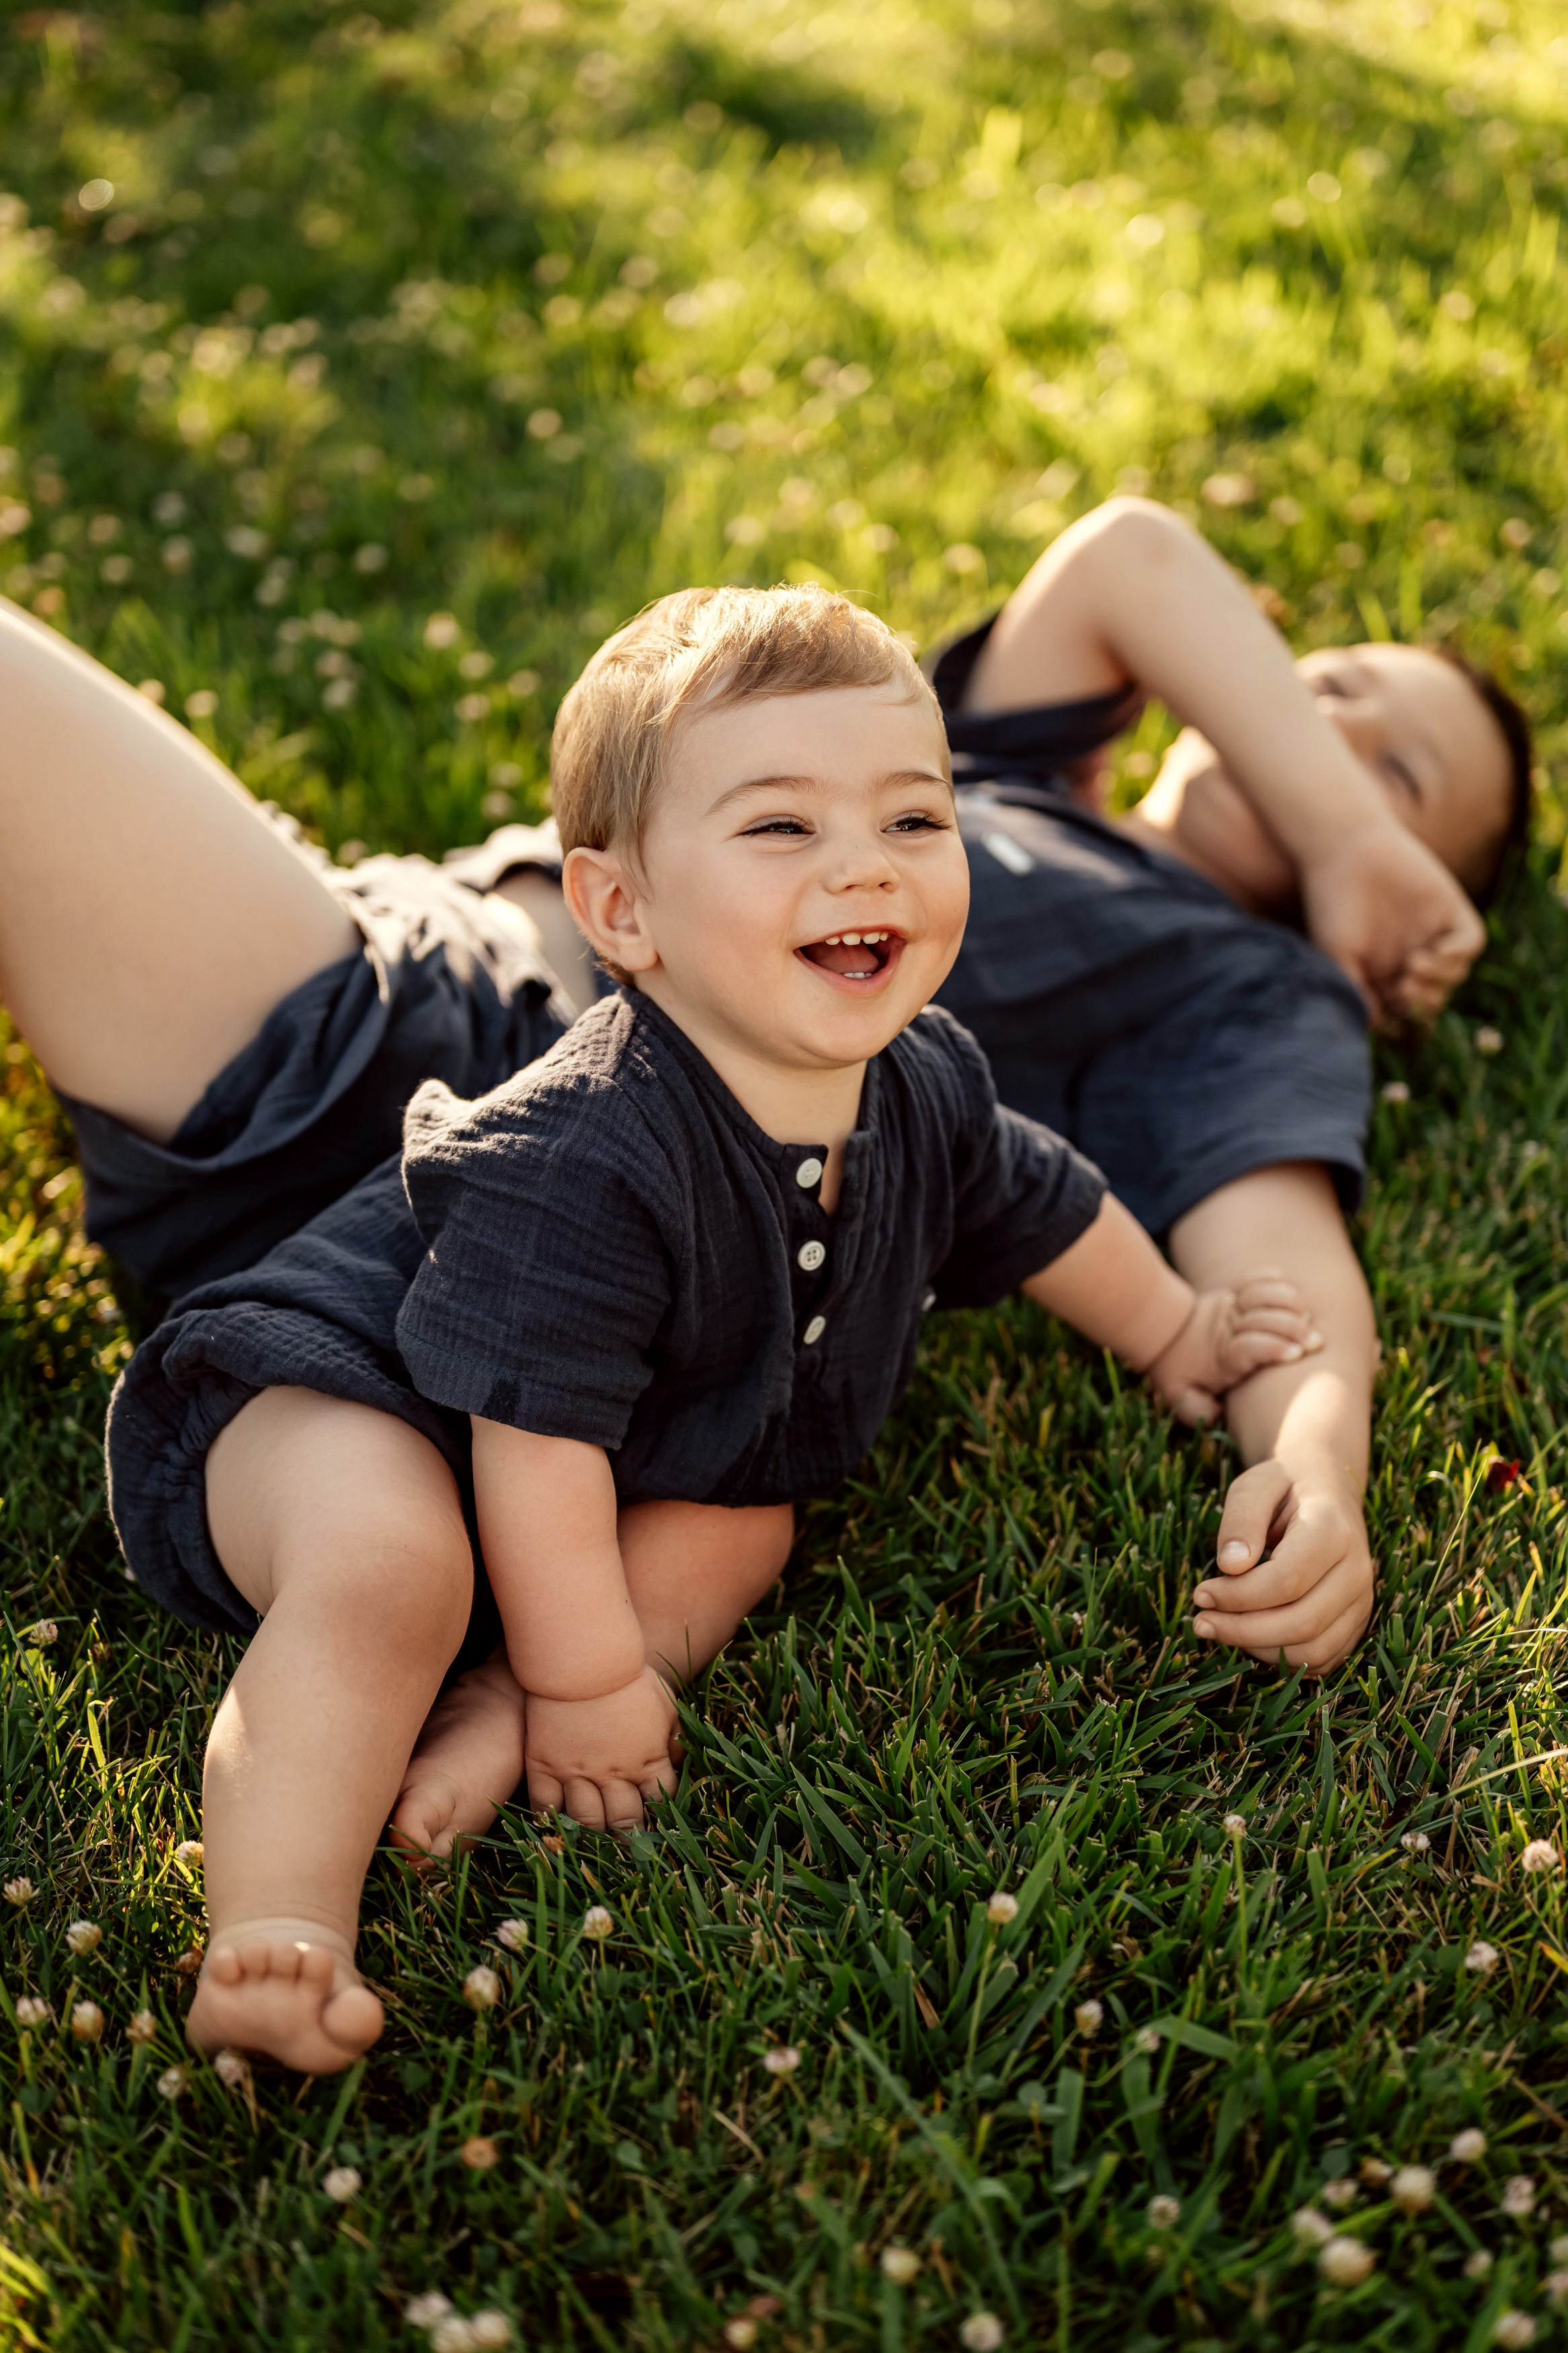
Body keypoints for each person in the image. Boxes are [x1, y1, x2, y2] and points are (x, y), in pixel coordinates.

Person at [106, 585, 1313, 2071]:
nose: (862, 866)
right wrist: (593, 1684)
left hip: (620, 1447)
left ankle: (492, 1702)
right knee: (392, 1566)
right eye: (781, 829)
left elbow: (1038, 1201)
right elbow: (531, 1443)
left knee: (746, 1526)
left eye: (913, 822)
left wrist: (1177, 1331)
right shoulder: (587, 1151)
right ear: (621, 911)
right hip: (343, 1395)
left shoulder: (921, 1078)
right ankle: (277, 1922)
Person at [930, 499, 1527, 1677]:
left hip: (613, 1134)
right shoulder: (1012, 764)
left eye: (1397, 777)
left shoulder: (1243, 989)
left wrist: (1313, 1466)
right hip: (494, 929)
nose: (1330, 729)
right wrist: (1349, 825)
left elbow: (1282, 1266)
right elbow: (1126, 556)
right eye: (1329, 680)